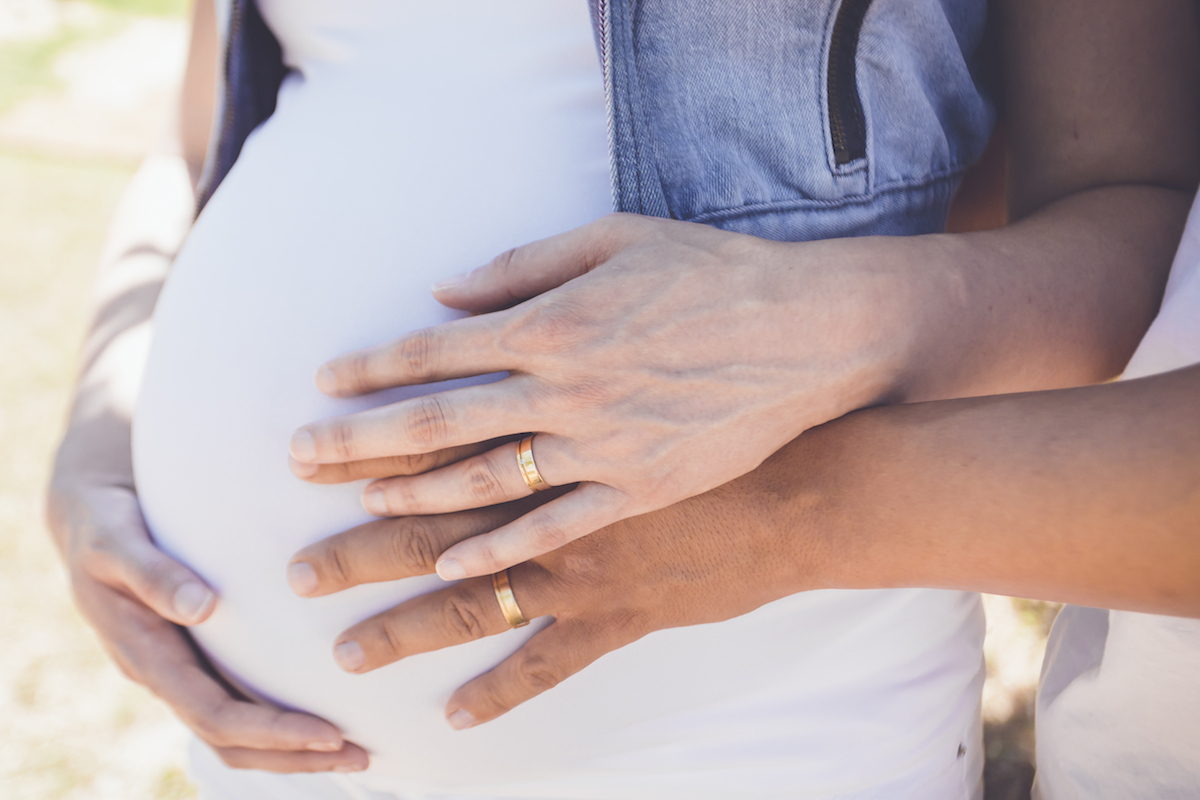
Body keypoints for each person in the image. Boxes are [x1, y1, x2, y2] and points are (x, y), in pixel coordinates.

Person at [44, 1, 1196, 799]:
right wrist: (110, 405)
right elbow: (199, 135)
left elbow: (1144, 230)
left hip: (742, 715)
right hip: (258, 746)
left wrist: (828, 317)